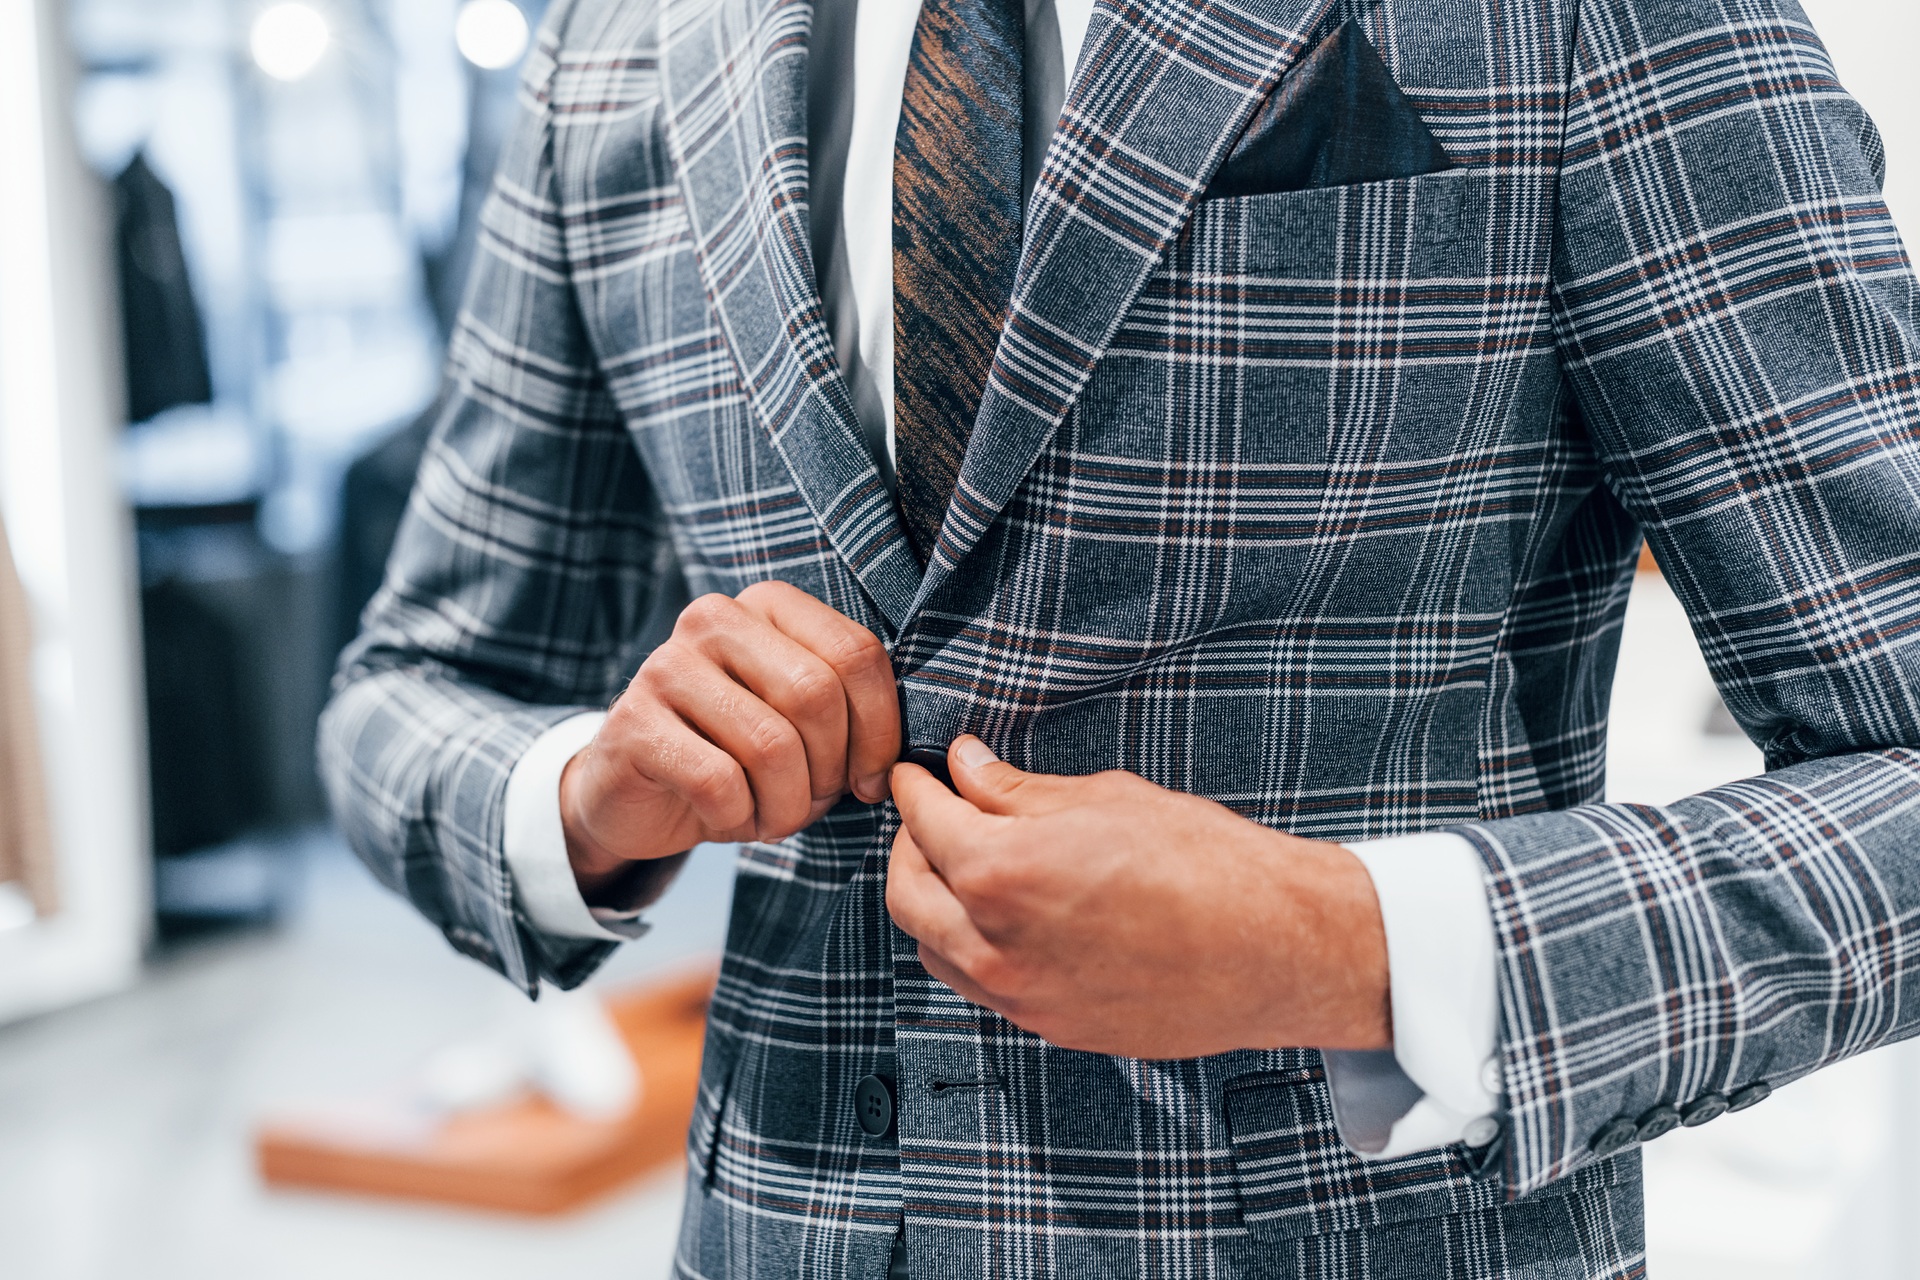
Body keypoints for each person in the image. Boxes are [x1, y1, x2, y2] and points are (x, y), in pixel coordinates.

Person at [318, 0, 1920, 1273]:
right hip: (779, 1222)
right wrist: (587, 794)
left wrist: (1348, 946)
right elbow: (410, 688)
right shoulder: (618, 42)